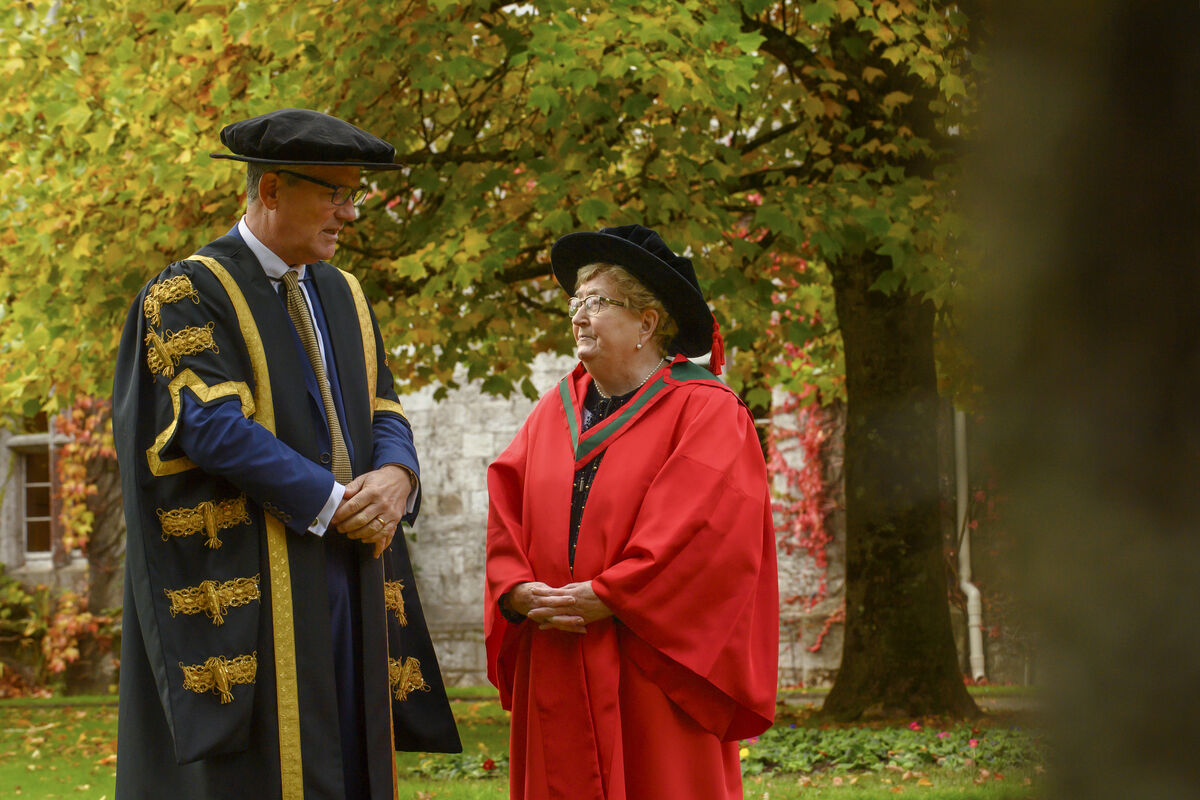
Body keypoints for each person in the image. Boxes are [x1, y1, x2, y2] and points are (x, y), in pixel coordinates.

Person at [112, 108, 460, 800]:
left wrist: (397, 476)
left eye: (354, 194)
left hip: (351, 570)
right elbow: (209, 426)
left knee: (352, 757)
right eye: (335, 193)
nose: (350, 213)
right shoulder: (187, 292)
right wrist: (336, 504)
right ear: (271, 189)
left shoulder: (343, 293)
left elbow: (384, 406)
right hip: (256, 575)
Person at [485, 225, 779, 799]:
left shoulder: (705, 411)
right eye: (575, 302)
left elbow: (706, 535)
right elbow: (506, 513)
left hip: (649, 661)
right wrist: (515, 590)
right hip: (557, 649)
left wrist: (612, 595)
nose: (578, 316)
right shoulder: (554, 410)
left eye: (597, 302)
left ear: (647, 323)